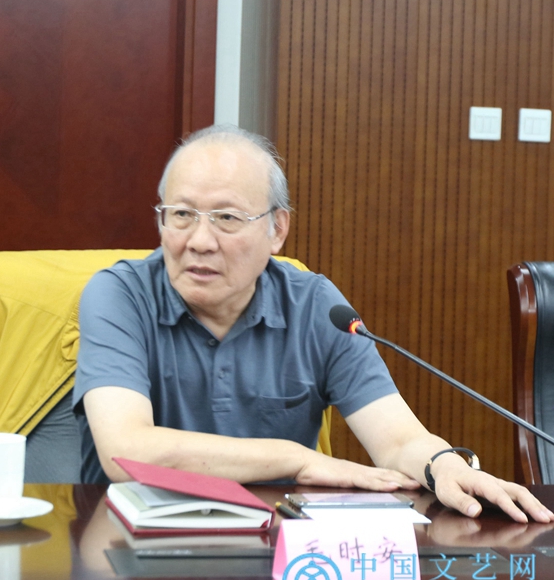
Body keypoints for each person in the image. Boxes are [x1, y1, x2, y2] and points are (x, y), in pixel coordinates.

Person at [73, 125, 553, 524]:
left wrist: (443, 465)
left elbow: (398, 440)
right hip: (130, 545)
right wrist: (298, 460)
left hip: (277, 551)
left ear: (276, 230)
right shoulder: (119, 295)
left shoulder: (316, 306)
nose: (199, 240)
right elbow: (126, 451)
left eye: (226, 218)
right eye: (181, 215)